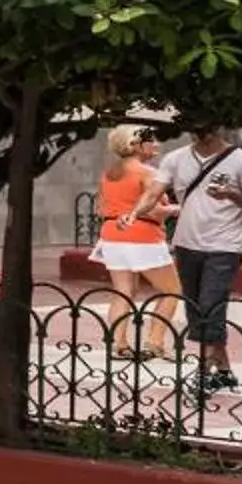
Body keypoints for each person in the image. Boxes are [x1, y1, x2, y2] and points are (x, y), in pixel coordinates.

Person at [155, 125, 242, 393]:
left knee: (211, 305)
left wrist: (232, 195)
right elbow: (154, 189)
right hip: (186, 244)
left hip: (225, 246)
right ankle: (225, 371)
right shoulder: (177, 158)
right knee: (197, 308)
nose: (199, 132)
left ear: (219, 127)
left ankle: (204, 371)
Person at [90, 124, 182, 354]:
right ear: (135, 145)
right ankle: (155, 342)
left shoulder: (109, 173)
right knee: (171, 291)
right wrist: (175, 209)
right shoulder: (147, 173)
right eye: (151, 140)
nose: (156, 144)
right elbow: (152, 209)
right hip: (143, 237)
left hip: (112, 235)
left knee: (124, 292)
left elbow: (100, 207)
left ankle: (118, 344)